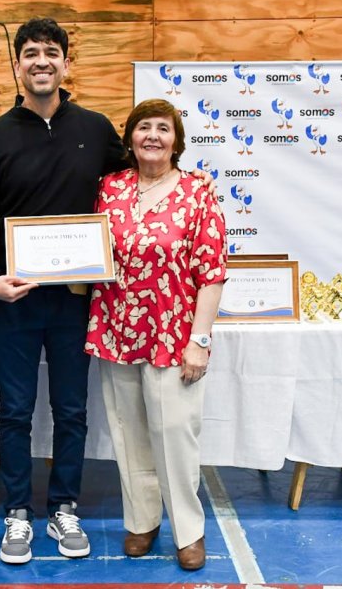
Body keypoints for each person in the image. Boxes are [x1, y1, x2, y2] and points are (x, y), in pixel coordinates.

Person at [0, 17, 127, 564]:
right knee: (15, 411)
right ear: (17, 65)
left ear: (65, 63)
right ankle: (17, 513)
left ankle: (64, 508)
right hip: (13, 301)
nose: (41, 61)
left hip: (75, 301)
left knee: (72, 409)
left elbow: (134, 184)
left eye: (51, 52)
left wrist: (186, 183)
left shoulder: (96, 129)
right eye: (31, 52)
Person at [84, 98, 228, 571]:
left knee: (174, 435)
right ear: (129, 138)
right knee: (128, 434)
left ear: (176, 142)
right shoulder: (109, 187)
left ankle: (188, 531)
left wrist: (200, 341)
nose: (152, 136)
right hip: (117, 330)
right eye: (143, 127)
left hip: (173, 335)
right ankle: (141, 522)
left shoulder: (197, 192)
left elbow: (212, 274)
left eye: (163, 129)